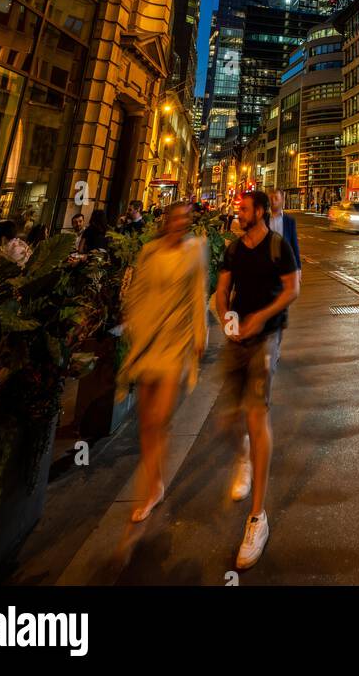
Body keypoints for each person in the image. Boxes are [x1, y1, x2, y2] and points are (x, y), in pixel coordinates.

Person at [214, 189, 299, 569]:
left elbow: (293, 289)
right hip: (237, 337)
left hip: (267, 337)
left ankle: (257, 518)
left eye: (244, 209)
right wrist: (224, 316)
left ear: (260, 212)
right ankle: (243, 458)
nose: (239, 212)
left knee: (255, 414)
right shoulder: (233, 249)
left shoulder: (279, 246)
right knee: (228, 419)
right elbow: (221, 291)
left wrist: (262, 317)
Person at [118, 201, 208, 524]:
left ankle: (153, 482)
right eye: (177, 218)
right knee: (146, 419)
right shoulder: (150, 252)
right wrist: (133, 327)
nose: (182, 223)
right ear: (166, 222)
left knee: (159, 416)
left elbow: (198, 293)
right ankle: (154, 484)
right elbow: (137, 294)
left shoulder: (196, 250)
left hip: (176, 341)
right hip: (148, 340)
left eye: (187, 219)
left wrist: (200, 335)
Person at [269, 189, 302, 273]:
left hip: (285, 266)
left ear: (282, 200)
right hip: (267, 266)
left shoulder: (289, 221)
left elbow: (294, 245)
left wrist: (298, 268)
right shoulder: (264, 220)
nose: (273, 201)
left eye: (276, 198)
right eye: (271, 198)